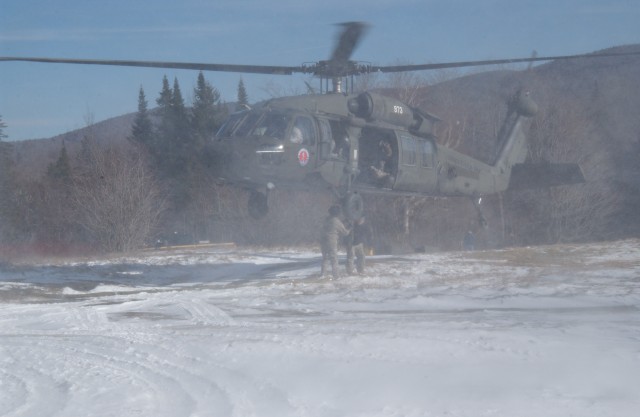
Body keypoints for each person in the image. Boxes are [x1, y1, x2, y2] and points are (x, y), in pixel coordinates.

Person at [320, 205, 351, 279]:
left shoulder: (326, 219)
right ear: (337, 213)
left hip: (323, 240)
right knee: (334, 259)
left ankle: (323, 274)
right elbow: (345, 232)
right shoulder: (336, 221)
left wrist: (343, 222)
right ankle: (336, 276)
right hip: (332, 241)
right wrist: (350, 228)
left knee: (325, 258)